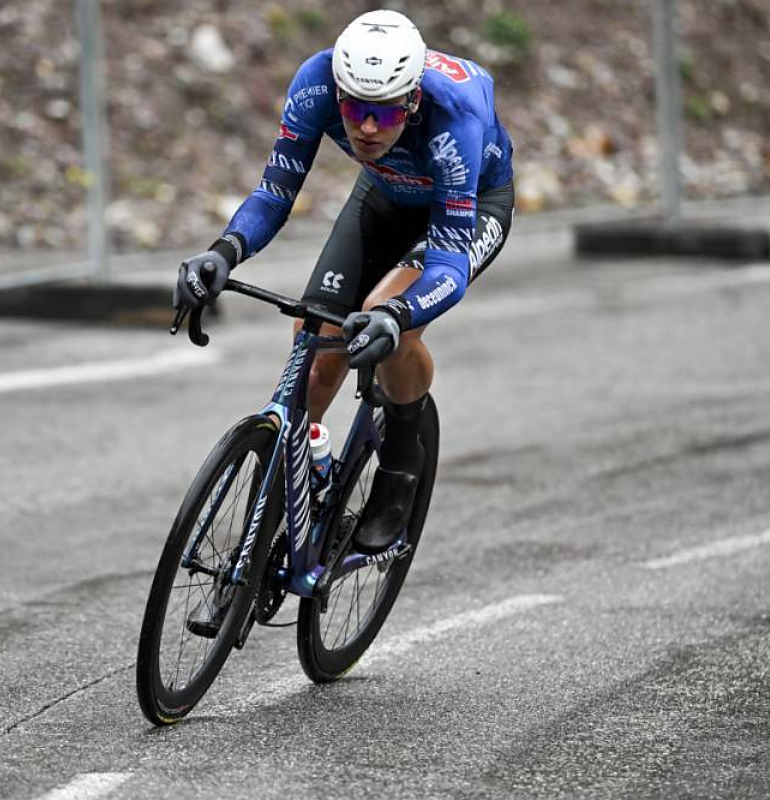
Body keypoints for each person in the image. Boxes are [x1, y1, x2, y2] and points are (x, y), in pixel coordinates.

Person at [174, 9, 515, 555]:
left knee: (388, 320)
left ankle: (401, 465)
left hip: (465, 212)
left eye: (382, 114)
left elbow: (449, 263)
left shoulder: (455, 117)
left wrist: (397, 315)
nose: (366, 128)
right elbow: (273, 194)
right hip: (383, 195)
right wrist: (222, 253)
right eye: (354, 109)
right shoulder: (315, 84)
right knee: (314, 353)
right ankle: (298, 487)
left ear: (411, 101)